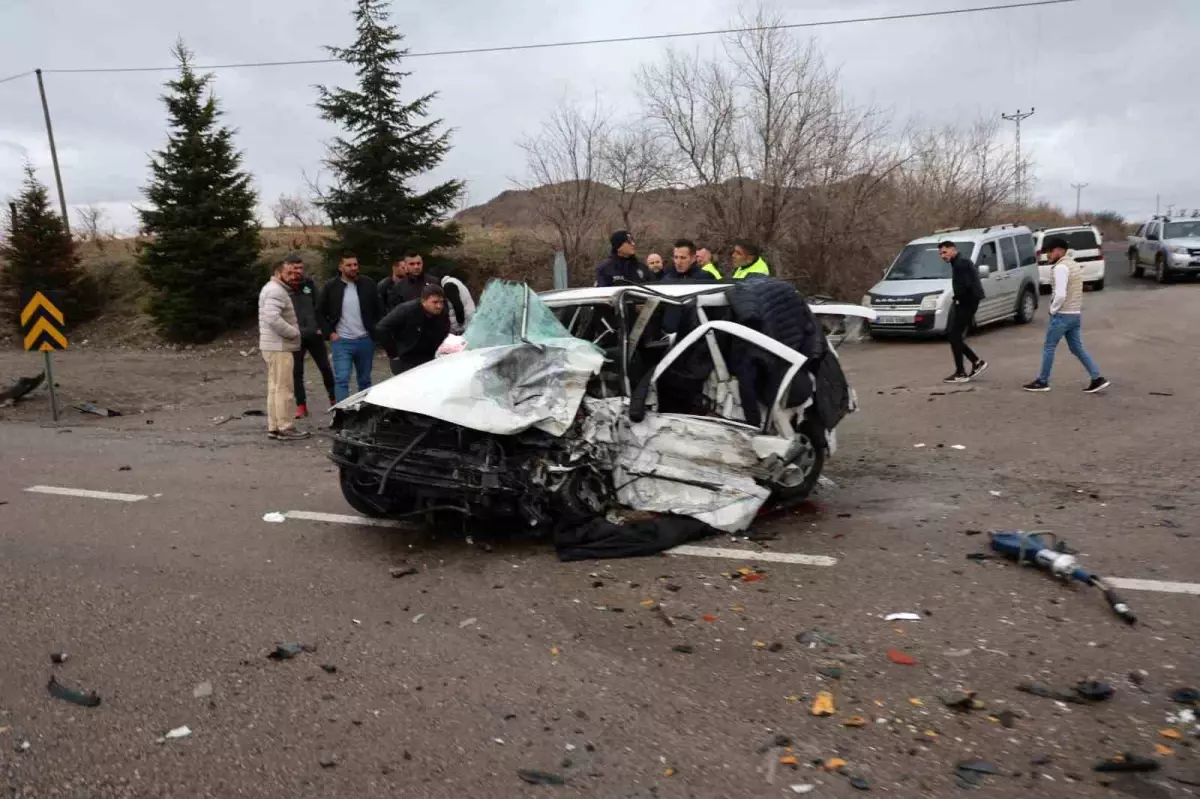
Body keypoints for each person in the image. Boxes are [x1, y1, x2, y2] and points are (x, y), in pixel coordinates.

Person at [1023, 236, 1109, 394]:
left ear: (1058, 251)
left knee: (1049, 347)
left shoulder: (1060, 268)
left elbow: (1061, 294)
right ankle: (1097, 378)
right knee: (1077, 348)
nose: (1047, 255)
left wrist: (1052, 310)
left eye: (1049, 252)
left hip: (1062, 315)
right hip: (1075, 314)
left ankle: (1042, 381)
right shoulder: (1073, 265)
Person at [318, 251, 384, 402]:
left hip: (365, 339)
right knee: (342, 379)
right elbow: (319, 312)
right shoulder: (331, 286)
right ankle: (342, 412)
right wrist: (330, 333)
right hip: (342, 340)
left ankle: (364, 410)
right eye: (349, 265)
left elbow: (379, 309)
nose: (353, 268)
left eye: (355, 264)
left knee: (365, 380)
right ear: (341, 267)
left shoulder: (368, 284)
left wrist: (375, 330)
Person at [258, 258, 309, 440]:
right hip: (279, 346)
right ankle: (285, 427)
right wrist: (293, 333)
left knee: (275, 387)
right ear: (278, 273)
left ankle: (274, 426)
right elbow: (272, 317)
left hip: (273, 345)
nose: (292, 276)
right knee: (284, 388)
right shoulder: (276, 291)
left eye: (293, 272)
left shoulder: (272, 289)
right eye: (288, 272)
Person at [286, 254, 335, 418]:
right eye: (295, 268)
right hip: (294, 335)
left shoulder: (309, 284)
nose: (298, 271)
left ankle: (333, 399)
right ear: (288, 268)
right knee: (296, 372)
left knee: (325, 367)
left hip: (314, 334)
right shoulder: (283, 286)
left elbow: (318, 306)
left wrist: (320, 327)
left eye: (301, 268)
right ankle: (301, 405)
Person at [938, 241, 988, 384]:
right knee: (954, 336)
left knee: (954, 336)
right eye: (940, 254)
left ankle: (961, 373)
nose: (943, 256)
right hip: (967, 302)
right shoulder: (959, 262)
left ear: (953, 249)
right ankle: (976, 362)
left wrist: (958, 300)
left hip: (967, 302)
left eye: (945, 252)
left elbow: (965, 286)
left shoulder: (961, 263)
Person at [375, 284, 451, 375]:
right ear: (423, 301)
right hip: (405, 357)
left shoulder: (442, 312)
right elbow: (381, 328)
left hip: (428, 356)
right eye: (435, 302)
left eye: (441, 302)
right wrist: (393, 353)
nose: (439, 306)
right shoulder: (406, 310)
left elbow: (445, 329)